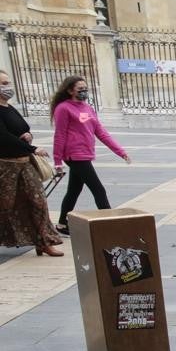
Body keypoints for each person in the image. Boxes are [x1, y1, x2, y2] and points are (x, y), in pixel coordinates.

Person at [51, 75, 130, 235]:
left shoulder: (88, 108)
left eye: (85, 89)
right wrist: (57, 161)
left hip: (86, 154)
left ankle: (61, 224)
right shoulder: (64, 108)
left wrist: (120, 152)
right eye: (80, 89)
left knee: (74, 190)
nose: (84, 92)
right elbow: (59, 135)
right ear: (70, 90)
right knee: (98, 190)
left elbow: (100, 132)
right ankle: (111, 225)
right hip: (74, 155)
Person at [0, 70, 62, 256]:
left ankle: (43, 241)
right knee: (6, 205)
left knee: (38, 201)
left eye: (7, 82)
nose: (7, 86)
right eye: (3, 83)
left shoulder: (9, 107)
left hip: (24, 162)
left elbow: (23, 129)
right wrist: (33, 148)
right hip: (5, 166)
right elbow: (3, 137)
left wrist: (29, 137)